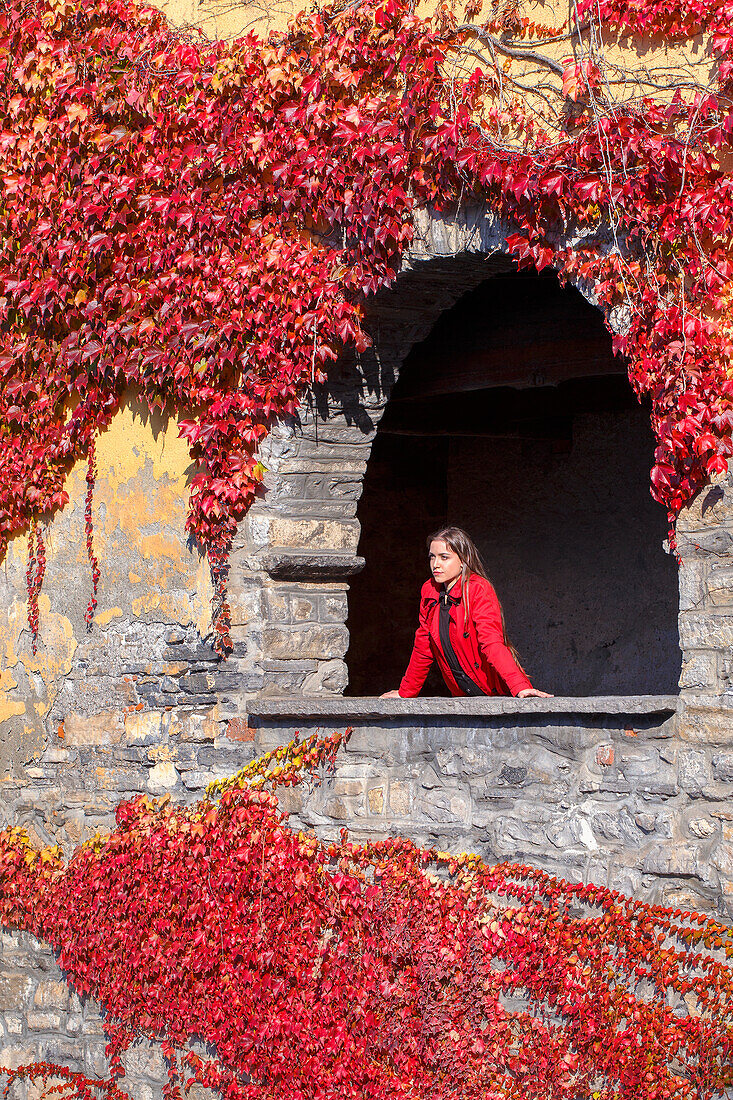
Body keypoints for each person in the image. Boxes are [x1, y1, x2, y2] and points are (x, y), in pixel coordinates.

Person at [381, 526, 552, 699]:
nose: (436, 564)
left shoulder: (478, 588)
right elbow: (423, 646)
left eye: (444, 557)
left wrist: (519, 686)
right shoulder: (429, 591)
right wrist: (406, 692)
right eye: (432, 557)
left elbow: (491, 642)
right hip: (461, 694)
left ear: (464, 559)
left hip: (494, 691)